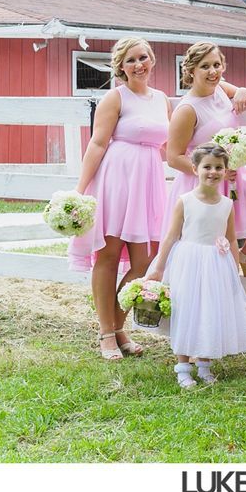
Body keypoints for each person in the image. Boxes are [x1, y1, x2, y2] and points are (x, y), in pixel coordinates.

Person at [68, 37, 171, 361]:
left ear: (152, 60)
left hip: (149, 180)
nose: (138, 65)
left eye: (143, 58)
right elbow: (98, 144)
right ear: (121, 67)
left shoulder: (162, 99)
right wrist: (81, 189)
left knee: (143, 262)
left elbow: (169, 144)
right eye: (131, 60)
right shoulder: (115, 97)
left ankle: (118, 325)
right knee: (109, 256)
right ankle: (107, 333)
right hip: (117, 179)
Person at [166, 42, 246, 277]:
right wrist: (211, 171)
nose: (213, 71)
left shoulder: (219, 88)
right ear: (191, 71)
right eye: (205, 67)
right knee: (209, 247)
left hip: (233, 178)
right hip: (203, 182)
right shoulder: (187, 109)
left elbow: (245, 94)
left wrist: (242, 90)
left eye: (217, 65)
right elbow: (173, 157)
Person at [146, 143, 246, 388]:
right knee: (186, 309)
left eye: (218, 167)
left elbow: (232, 237)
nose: (212, 172)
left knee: (209, 310)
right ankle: (183, 366)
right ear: (195, 168)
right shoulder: (185, 201)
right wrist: (159, 267)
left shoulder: (226, 204)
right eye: (207, 167)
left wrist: (234, 266)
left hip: (215, 263)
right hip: (189, 261)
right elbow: (171, 236)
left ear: (226, 171)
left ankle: (204, 364)